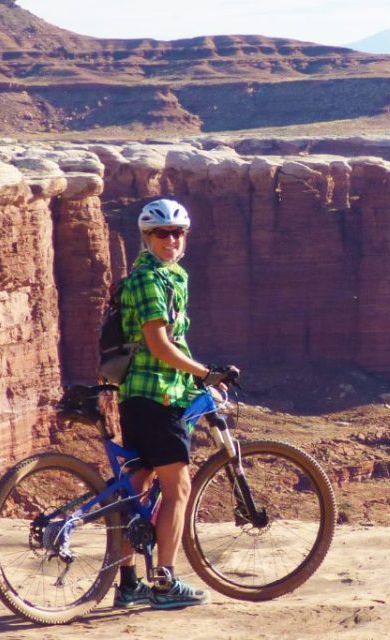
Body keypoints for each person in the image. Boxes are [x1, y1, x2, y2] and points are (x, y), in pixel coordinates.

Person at [112, 198, 235, 610]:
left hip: (154, 392)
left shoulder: (173, 276)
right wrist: (203, 373)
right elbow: (159, 344)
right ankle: (163, 582)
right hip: (155, 393)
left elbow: (174, 342)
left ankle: (128, 583)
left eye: (177, 233)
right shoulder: (148, 279)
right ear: (146, 238)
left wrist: (198, 378)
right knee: (177, 487)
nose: (171, 240)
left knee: (138, 489)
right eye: (162, 234)